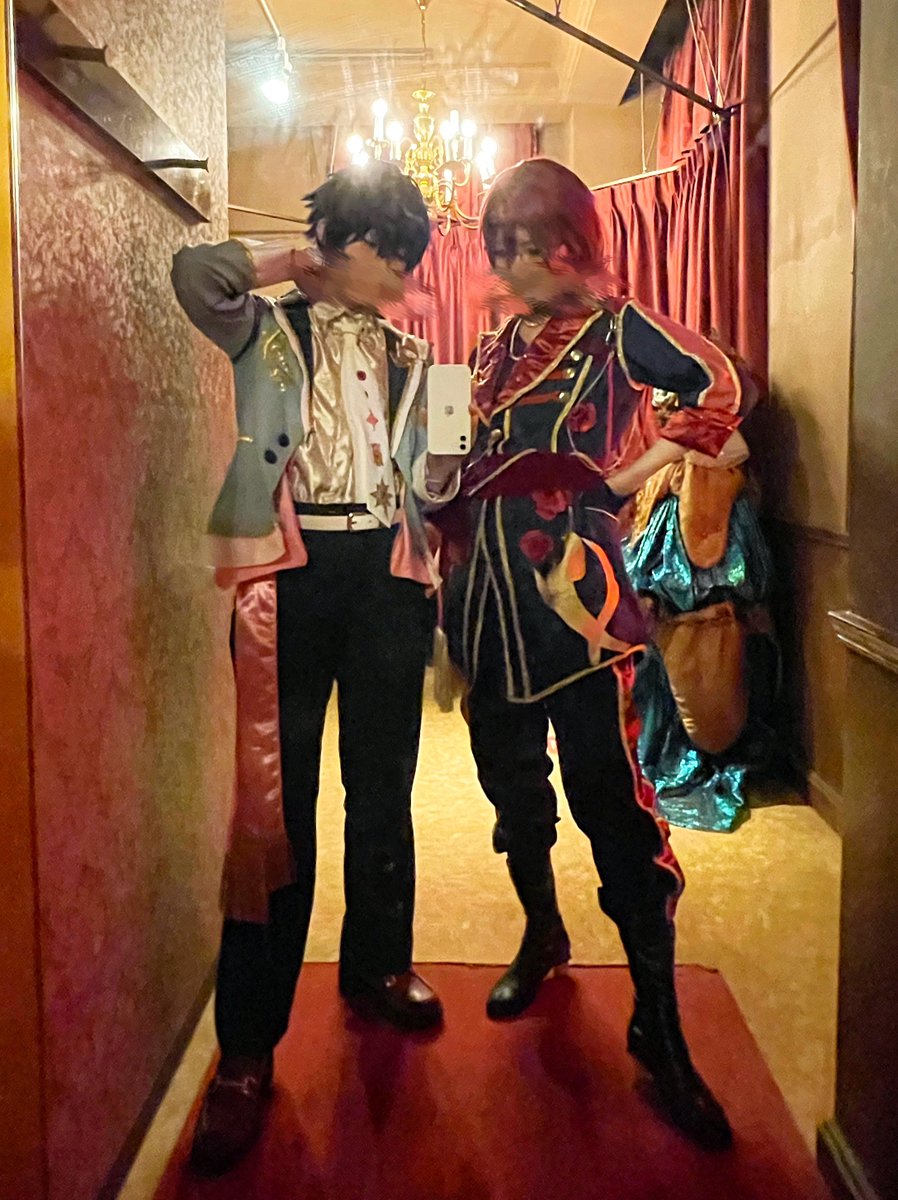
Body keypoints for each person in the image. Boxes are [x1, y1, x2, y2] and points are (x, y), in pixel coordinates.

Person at [441, 158, 742, 1150]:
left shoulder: (619, 331)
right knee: (512, 791)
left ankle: (659, 1024)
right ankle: (543, 931)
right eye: (502, 248)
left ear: (572, 244)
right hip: (487, 606)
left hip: (577, 606)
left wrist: (632, 469)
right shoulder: (487, 351)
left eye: (528, 246)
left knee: (613, 806)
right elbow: (450, 471)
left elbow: (719, 383)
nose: (512, 266)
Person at [171, 161, 461, 1176]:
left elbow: (432, 482)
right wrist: (303, 258)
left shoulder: (417, 355)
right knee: (276, 802)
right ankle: (247, 1048)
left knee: (383, 789)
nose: (405, 278)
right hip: (289, 581)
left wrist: (447, 464)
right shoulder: (265, 326)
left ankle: (377, 965)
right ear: (352, 243)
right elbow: (196, 272)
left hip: (387, 579)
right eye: (394, 256)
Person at [623, 358, 782, 833]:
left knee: (707, 685)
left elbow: (712, 555)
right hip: (668, 613)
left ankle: (698, 755)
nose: (662, 409)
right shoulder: (669, 464)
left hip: (704, 608)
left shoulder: (717, 458)